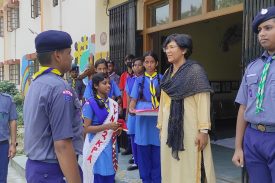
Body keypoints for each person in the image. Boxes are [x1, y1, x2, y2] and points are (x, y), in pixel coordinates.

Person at [23, 30, 83, 183]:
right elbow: (62, 144)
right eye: (69, 53)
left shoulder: (36, 83)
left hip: (36, 168)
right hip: (53, 171)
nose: (72, 57)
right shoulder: (59, 88)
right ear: (57, 55)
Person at [157, 34, 216, 183]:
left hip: (190, 130)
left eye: (172, 47)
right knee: (171, 166)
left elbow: (203, 100)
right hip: (170, 130)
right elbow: (163, 103)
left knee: (191, 166)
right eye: (166, 48)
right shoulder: (167, 73)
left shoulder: (195, 71)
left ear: (183, 50)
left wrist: (203, 131)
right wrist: (161, 126)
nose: (168, 51)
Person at [232, 6, 275, 183]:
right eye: (259, 30)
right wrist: (238, 147)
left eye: (268, 28)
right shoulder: (252, 67)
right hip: (253, 138)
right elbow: (243, 107)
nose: (262, 34)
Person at [129, 51, 162, 183]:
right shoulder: (139, 80)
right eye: (146, 62)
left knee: (157, 156)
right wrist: (132, 108)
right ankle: (146, 180)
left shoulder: (162, 79)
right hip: (142, 120)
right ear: (143, 64)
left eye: (152, 62)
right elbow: (133, 99)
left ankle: (157, 180)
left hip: (157, 120)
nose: (149, 65)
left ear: (157, 63)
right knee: (143, 157)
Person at [82, 72, 121, 183]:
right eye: (104, 83)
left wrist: (117, 129)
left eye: (109, 83)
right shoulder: (90, 104)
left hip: (111, 146)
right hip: (97, 147)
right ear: (95, 86)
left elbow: (113, 126)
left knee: (110, 176)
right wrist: (108, 126)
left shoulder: (113, 103)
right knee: (99, 176)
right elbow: (86, 128)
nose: (108, 85)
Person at [125, 57, 144, 171]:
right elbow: (128, 98)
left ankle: (142, 161)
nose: (136, 67)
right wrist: (127, 113)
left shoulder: (147, 79)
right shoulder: (129, 80)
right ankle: (136, 160)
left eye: (139, 65)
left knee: (141, 136)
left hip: (142, 111)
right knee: (132, 135)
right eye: (134, 65)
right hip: (132, 112)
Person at [0, 92, 17, 183]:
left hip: (2, 146)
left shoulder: (7, 99)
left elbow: (13, 121)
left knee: (2, 178)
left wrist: (13, 145)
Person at [119, 54, 135, 156]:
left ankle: (134, 151)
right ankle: (129, 148)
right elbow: (121, 91)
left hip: (134, 105)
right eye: (127, 60)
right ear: (125, 62)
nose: (129, 61)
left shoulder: (137, 75)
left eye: (131, 59)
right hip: (125, 104)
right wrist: (120, 104)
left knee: (134, 128)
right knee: (127, 127)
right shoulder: (123, 75)